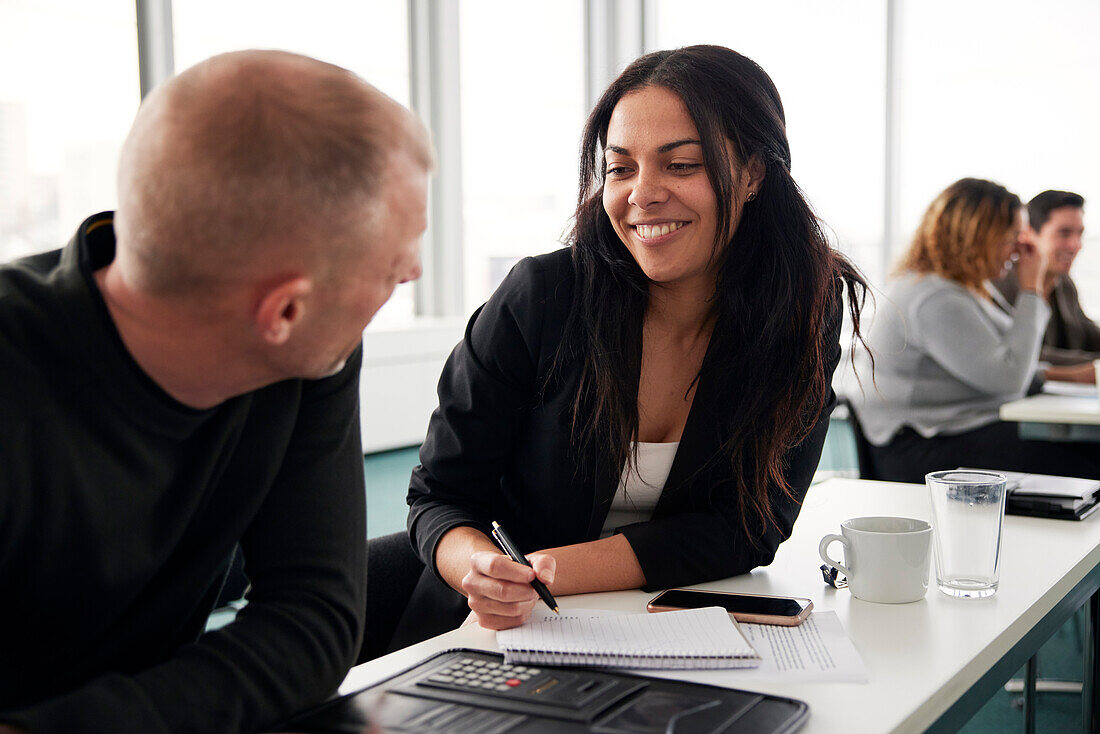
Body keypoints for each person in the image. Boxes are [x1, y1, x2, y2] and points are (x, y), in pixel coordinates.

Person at [366, 45, 866, 654]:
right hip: (489, 633)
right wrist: (483, 570)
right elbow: (440, 496)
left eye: (681, 165)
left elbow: (751, 526)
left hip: (674, 638)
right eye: (620, 168)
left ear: (755, 172)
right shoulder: (542, 299)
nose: (642, 194)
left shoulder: (801, 312)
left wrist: (553, 571)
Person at [0, 51, 432, 733]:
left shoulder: (307, 359)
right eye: (392, 264)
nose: (410, 272)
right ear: (283, 311)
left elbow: (312, 626)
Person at [850, 178, 1100, 484]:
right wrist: (1031, 289)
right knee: (1086, 460)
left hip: (954, 431)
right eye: (1013, 236)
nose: (1020, 247)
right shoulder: (934, 297)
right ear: (980, 236)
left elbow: (1005, 365)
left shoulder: (961, 289)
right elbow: (1010, 381)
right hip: (919, 448)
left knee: (1086, 450)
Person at [993, 189, 1098, 382]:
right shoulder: (999, 286)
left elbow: (1088, 334)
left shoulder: (1063, 284)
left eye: (1080, 234)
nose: (1076, 245)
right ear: (1028, 234)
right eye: (1064, 233)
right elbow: (1022, 354)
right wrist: (1089, 366)